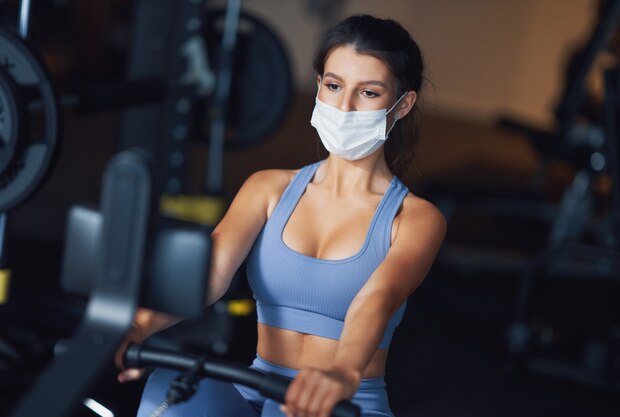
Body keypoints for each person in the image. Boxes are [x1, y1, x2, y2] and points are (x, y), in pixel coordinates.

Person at [116, 14, 446, 417]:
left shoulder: (415, 218)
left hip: (344, 401)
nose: (344, 107)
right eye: (334, 85)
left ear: (402, 104)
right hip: (258, 387)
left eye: (369, 93)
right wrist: (137, 326)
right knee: (167, 397)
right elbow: (208, 274)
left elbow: (376, 301)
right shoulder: (268, 188)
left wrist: (341, 373)